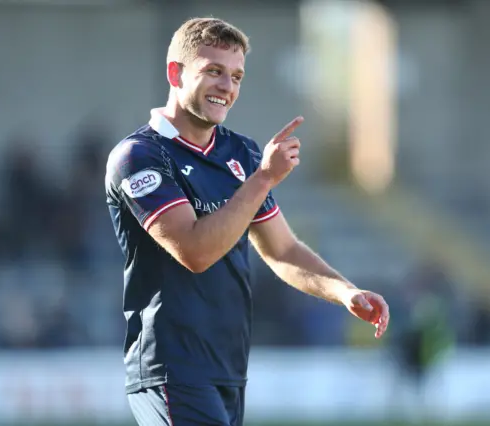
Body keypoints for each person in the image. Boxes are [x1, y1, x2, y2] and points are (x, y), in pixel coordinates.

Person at [105, 17, 390, 426]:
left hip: (228, 368)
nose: (227, 86)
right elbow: (196, 251)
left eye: (236, 76)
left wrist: (344, 292)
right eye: (213, 72)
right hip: (172, 368)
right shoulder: (139, 157)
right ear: (175, 73)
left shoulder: (241, 152)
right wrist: (265, 178)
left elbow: (283, 249)